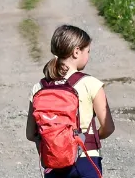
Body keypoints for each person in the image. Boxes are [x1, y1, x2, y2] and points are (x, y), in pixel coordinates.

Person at [26, 25, 116, 178]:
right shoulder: (91, 83)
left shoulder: (39, 87)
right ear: (76, 52)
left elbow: (30, 134)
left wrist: (57, 141)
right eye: (88, 51)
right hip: (86, 160)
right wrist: (88, 138)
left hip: (53, 162)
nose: (88, 56)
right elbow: (108, 127)